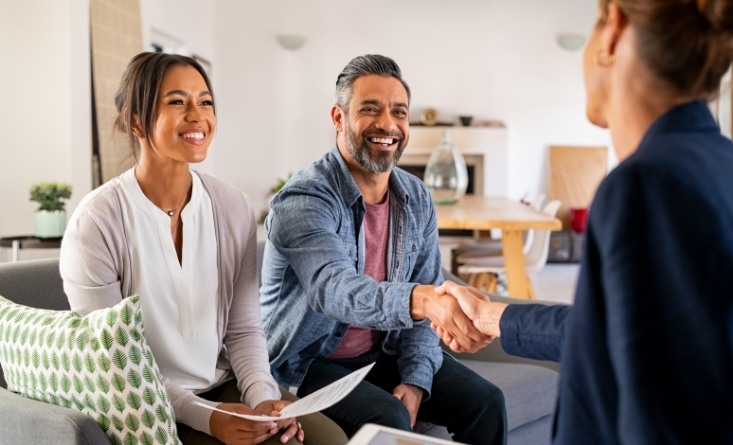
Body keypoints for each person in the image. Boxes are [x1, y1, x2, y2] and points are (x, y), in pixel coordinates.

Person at [434, 0, 733, 443]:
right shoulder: (720, 162)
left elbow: (658, 415)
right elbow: (618, 334)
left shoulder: (646, 184)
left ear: (612, 28)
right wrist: (494, 315)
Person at [59, 51, 348, 445]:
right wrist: (206, 418)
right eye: (177, 101)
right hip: (142, 406)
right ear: (136, 121)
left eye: (205, 102)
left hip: (221, 387)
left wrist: (264, 399)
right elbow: (115, 363)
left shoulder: (232, 207)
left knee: (325, 441)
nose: (198, 115)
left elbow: (244, 329)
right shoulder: (96, 222)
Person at [259, 54, 504, 445]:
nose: (387, 124)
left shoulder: (416, 197)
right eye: (369, 109)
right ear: (338, 118)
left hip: (381, 353)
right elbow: (333, 289)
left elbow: (427, 293)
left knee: (487, 402)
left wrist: (415, 379)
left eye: (399, 112)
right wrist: (423, 300)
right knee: (387, 415)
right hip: (307, 363)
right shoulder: (304, 199)